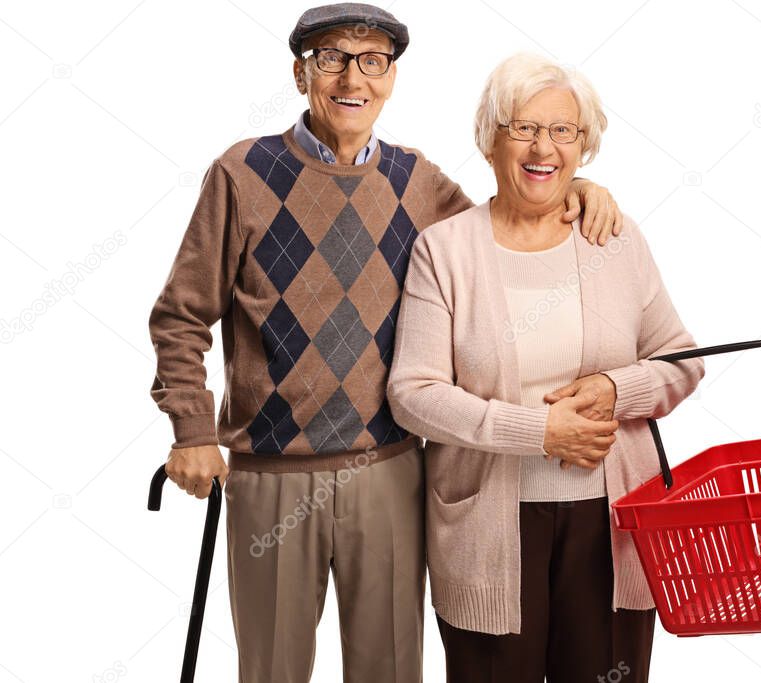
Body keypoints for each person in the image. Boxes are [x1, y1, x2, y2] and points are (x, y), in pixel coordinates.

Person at [147, 5, 624, 682]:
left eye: (373, 60)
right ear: (300, 71)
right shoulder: (241, 172)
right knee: (272, 671)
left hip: (392, 471)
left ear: (392, 78)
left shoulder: (415, 180)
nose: (353, 76)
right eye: (332, 56)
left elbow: (505, 229)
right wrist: (192, 429)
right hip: (272, 476)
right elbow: (180, 316)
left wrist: (572, 183)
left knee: (391, 673)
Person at [387, 53, 706, 682]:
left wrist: (618, 387)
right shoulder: (445, 250)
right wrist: (537, 433)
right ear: (490, 138)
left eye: (563, 131)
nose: (544, 147)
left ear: (583, 146)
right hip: (488, 528)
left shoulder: (613, 239)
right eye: (523, 127)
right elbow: (413, 394)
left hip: (611, 522)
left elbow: (683, 360)